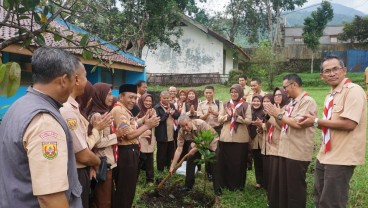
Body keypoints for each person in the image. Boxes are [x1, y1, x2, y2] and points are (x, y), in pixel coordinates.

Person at [0, 47, 82, 207]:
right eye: (74, 79)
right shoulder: (45, 121)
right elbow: (50, 198)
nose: (74, 86)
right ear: (64, 80)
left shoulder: (19, 106)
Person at [298, 56, 367, 208]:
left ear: (344, 70)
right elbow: (329, 124)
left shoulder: (353, 91)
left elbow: (349, 124)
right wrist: (314, 121)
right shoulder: (331, 95)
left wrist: (316, 121)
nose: (331, 73)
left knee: (332, 201)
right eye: (327, 71)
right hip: (325, 154)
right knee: (319, 197)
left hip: (342, 156)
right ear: (322, 76)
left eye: (335, 69)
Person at [60, 62, 109, 208]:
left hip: (82, 168)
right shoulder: (68, 110)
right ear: (76, 79)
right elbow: (82, 152)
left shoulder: (73, 107)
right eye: (86, 76)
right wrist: (99, 163)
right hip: (77, 169)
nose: (87, 81)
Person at [264, 73, 317, 208]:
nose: (284, 90)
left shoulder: (307, 101)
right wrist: (274, 115)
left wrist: (278, 114)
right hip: (285, 151)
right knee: (284, 187)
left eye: (285, 87)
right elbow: (283, 125)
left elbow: (298, 124)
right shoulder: (292, 104)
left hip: (297, 152)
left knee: (295, 189)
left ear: (294, 85)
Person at [111, 84, 160, 208]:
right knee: (125, 188)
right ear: (121, 96)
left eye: (135, 98)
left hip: (130, 151)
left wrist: (143, 120)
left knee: (129, 187)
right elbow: (129, 135)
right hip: (126, 153)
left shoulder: (124, 110)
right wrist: (147, 126)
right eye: (130, 97)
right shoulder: (119, 111)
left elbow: (132, 125)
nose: (133, 101)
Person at [87, 83, 127, 208]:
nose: (111, 97)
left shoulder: (104, 112)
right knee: (103, 200)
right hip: (103, 161)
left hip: (108, 160)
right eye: (109, 94)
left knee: (106, 197)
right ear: (100, 95)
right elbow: (97, 142)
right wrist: (116, 135)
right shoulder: (97, 115)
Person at [169, 115, 219, 192]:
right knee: (190, 161)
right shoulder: (181, 132)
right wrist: (172, 166)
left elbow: (207, 139)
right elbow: (179, 149)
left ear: (190, 120)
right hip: (197, 142)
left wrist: (195, 149)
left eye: (186, 124)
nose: (185, 128)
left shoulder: (201, 123)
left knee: (214, 164)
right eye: (183, 126)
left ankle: (217, 188)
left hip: (211, 141)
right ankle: (188, 186)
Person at [217, 84, 252, 192]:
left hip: (240, 139)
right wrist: (228, 116)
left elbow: (249, 121)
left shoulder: (246, 105)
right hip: (226, 137)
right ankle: (225, 183)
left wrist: (236, 117)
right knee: (225, 161)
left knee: (238, 162)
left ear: (240, 93)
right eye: (232, 92)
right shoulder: (226, 104)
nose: (233, 94)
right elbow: (219, 119)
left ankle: (237, 185)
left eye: (236, 92)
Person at [265, 87, 289, 208]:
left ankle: (279, 201)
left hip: (281, 147)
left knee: (278, 176)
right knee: (272, 176)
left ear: (285, 96)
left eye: (280, 95)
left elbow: (283, 127)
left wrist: (273, 116)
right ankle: (272, 200)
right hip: (272, 145)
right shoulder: (275, 108)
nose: (277, 97)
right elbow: (269, 126)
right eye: (275, 95)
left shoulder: (287, 109)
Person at [197, 86, 223, 180]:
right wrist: (207, 113)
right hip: (206, 131)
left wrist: (213, 112)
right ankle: (209, 173)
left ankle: (217, 171)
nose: (208, 94)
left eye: (210, 92)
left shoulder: (219, 103)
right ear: (204, 93)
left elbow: (222, 115)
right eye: (206, 93)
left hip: (217, 129)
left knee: (216, 151)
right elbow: (199, 118)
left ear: (213, 93)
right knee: (207, 151)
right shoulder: (201, 104)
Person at [154, 91, 180, 172]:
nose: (166, 100)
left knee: (169, 153)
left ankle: (168, 168)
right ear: (160, 98)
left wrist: (173, 113)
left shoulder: (171, 105)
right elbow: (159, 121)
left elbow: (177, 116)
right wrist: (167, 113)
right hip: (162, 135)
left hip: (171, 134)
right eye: (164, 98)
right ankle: (160, 170)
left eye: (167, 98)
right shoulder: (157, 107)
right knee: (161, 154)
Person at [137, 94, 157, 184]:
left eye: (150, 101)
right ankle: (135, 179)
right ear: (142, 100)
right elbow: (135, 124)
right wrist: (145, 119)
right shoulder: (137, 110)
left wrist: (152, 117)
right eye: (146, 100)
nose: (148, 103)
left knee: (149, 159)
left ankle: (150, 179)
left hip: (150, 138)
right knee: (139, 159)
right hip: (140, 137)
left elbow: (156, 123)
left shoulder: (153, 110)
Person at [249, 95, 265, 189]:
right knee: (257, 160)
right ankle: (259, 181)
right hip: (254, 139)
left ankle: (266, 180)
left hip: (263, 139)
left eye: (258, 101)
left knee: (264, 161)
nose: (256, 103)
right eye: (254, 101)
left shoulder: (264, 112)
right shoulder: (249, 111)